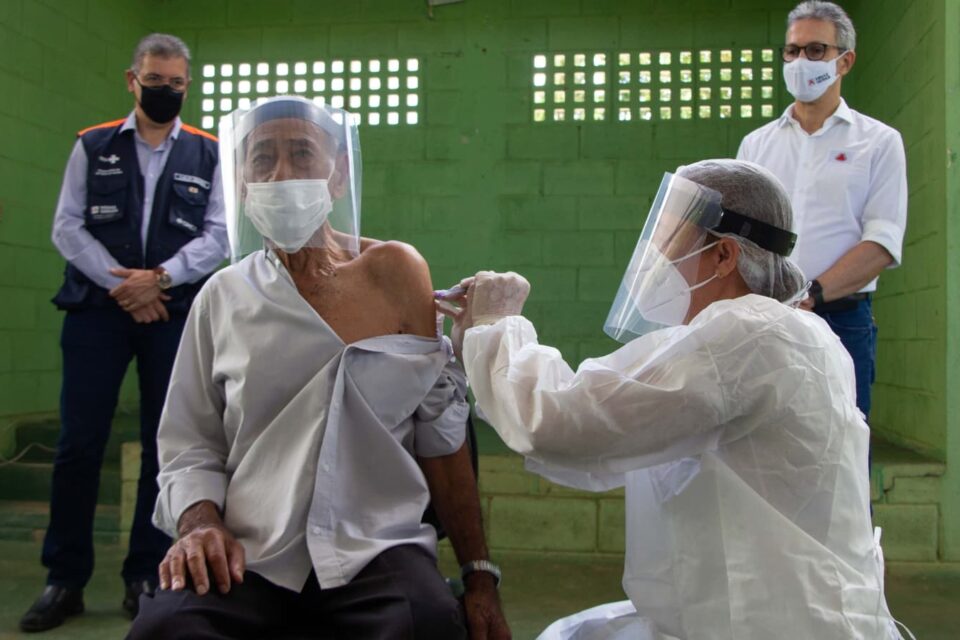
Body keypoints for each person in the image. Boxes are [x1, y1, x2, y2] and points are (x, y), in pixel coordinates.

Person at [439, 160, 906, 639]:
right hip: (765, 610)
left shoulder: (748, 335)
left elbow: (558, 422)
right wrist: (482, 342)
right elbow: (607, 443)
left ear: (724, 256)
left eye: (669, 240)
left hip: (772, 622)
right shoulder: (781, 333)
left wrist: (497, 324)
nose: (655, 256)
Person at [126, 96, 510, 640]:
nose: (281, 174)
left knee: (422, 624)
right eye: (261, 158)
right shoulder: (223, 295)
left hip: (376, 544)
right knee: (165, 630)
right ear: (241, 180)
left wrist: (479, 576)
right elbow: (189, 442)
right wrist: (200, 523)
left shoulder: (396, 272)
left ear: (338, 174)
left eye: (303, 153)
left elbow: (441, 437)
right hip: (250, 547)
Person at [19, 33, 228, 633]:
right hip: (96, 312)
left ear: (188, 85)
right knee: (78, 444)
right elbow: (67, 227)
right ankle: (64, 578)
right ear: (132, 80)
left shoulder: (208, 153)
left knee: (166, 448)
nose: (165, 92)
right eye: (154, 81)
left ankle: (146, 573)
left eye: (176, 84)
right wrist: (124, 287)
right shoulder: (92, 144)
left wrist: (158, 280)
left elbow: (219, 235)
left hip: (170, 314)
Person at [737, 0, 908, 420]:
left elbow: (882, 242)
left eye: (816, 51)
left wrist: (812, 293)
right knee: (762, 445)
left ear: (844, 61)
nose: (800, 61)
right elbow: (742, 236)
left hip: (842, 320)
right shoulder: (755, 145)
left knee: (841, 446)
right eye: (792, 51)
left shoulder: (880, 142)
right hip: (767, 317)